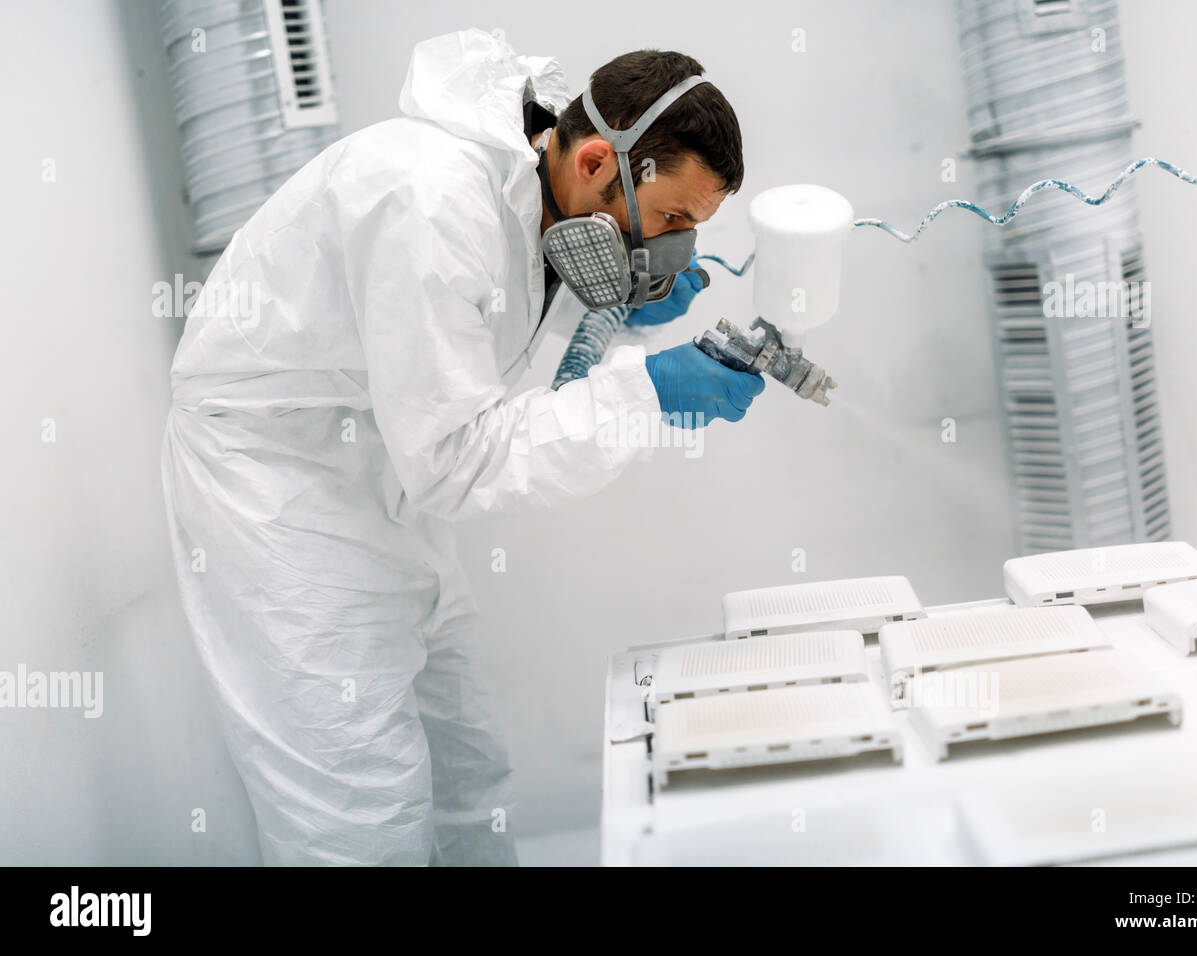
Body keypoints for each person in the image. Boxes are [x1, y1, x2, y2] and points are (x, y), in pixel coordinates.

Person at [160, 27, 763, 866]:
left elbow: (496, 385)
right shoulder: (431, 202)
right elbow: (458, 458)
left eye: (688, 229)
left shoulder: (540, 196)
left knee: (466, 768)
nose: (669, 247)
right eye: (667, 219)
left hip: (386, 465)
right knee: (359, 809)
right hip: (280, 489)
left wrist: (610, 315)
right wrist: (646, 393)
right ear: (595, 162)